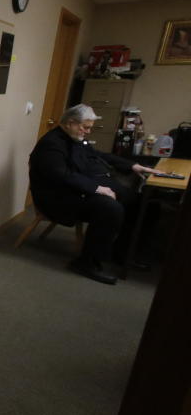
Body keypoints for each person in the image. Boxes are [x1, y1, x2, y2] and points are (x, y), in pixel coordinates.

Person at [29, 104, 163, 285]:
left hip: (76, 190)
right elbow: (62, 176)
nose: (88, 131)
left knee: (142, 203)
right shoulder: (51, 144)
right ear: (70, 123)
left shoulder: (76, 138)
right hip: (58, 199)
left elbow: (98, 155)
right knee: (109, 208)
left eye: (90, 127)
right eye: (85, 127)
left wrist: (131, 165)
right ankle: (86, 263)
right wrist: (97, 189)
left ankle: (120, 253)